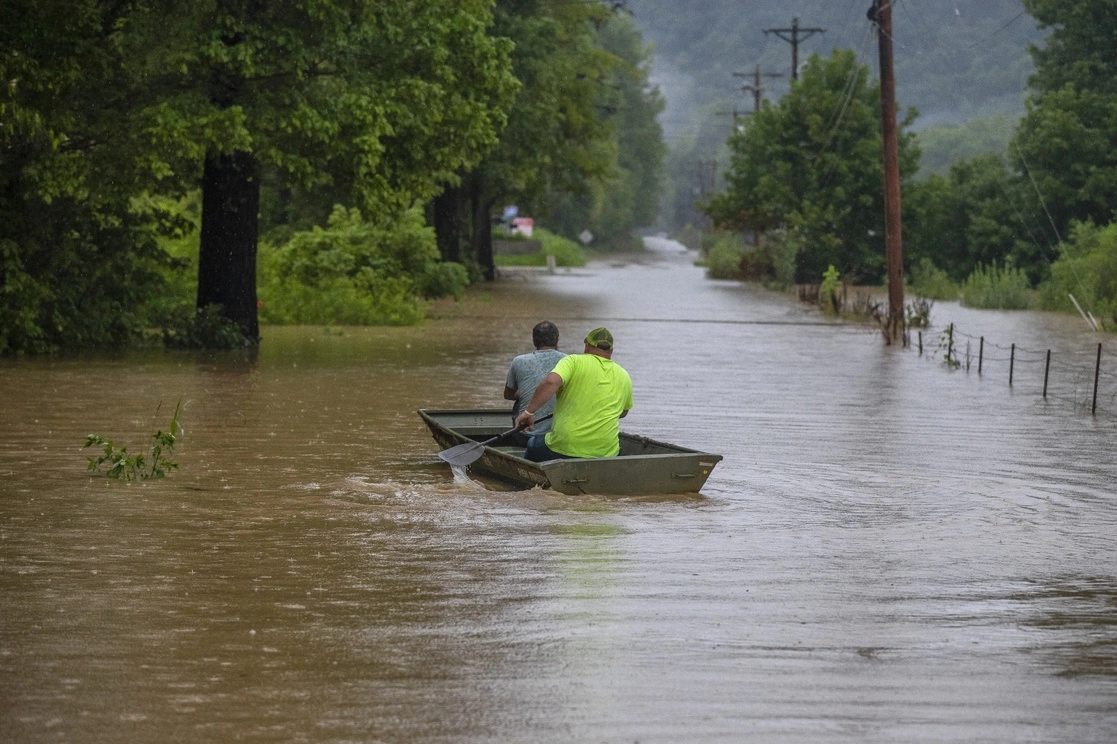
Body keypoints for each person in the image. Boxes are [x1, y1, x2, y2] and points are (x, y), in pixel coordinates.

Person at [514, 327, 633, 462]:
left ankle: (530, 479)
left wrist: (528, 413)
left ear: (587, 345)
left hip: (566, 446)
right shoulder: (624, 375)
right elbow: (623, 413)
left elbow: (551, 382)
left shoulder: (573, 361)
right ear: (611, 351)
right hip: (606, 451)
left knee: (532, 444)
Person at [504, 321, 565, 437]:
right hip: (558, 436)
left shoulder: (519, 361)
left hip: (525, 436)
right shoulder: (569, 361)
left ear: (534, 340)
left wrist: (530, 393)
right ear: (557, 340)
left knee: (519, 402)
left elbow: (508, 395)